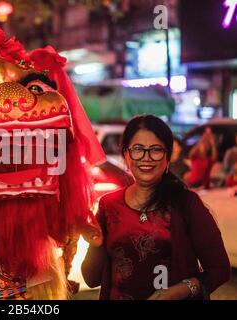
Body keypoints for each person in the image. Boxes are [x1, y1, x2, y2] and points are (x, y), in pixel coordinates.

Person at [81, 115, 230, 300]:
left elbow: (220, 269)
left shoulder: (186, 203)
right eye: (137, 149)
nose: (146, 157)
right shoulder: (109, 204)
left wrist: (183, 289)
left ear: (168, 156)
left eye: (156, 150)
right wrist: (96, 244)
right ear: (126, 155)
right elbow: (91, 278)